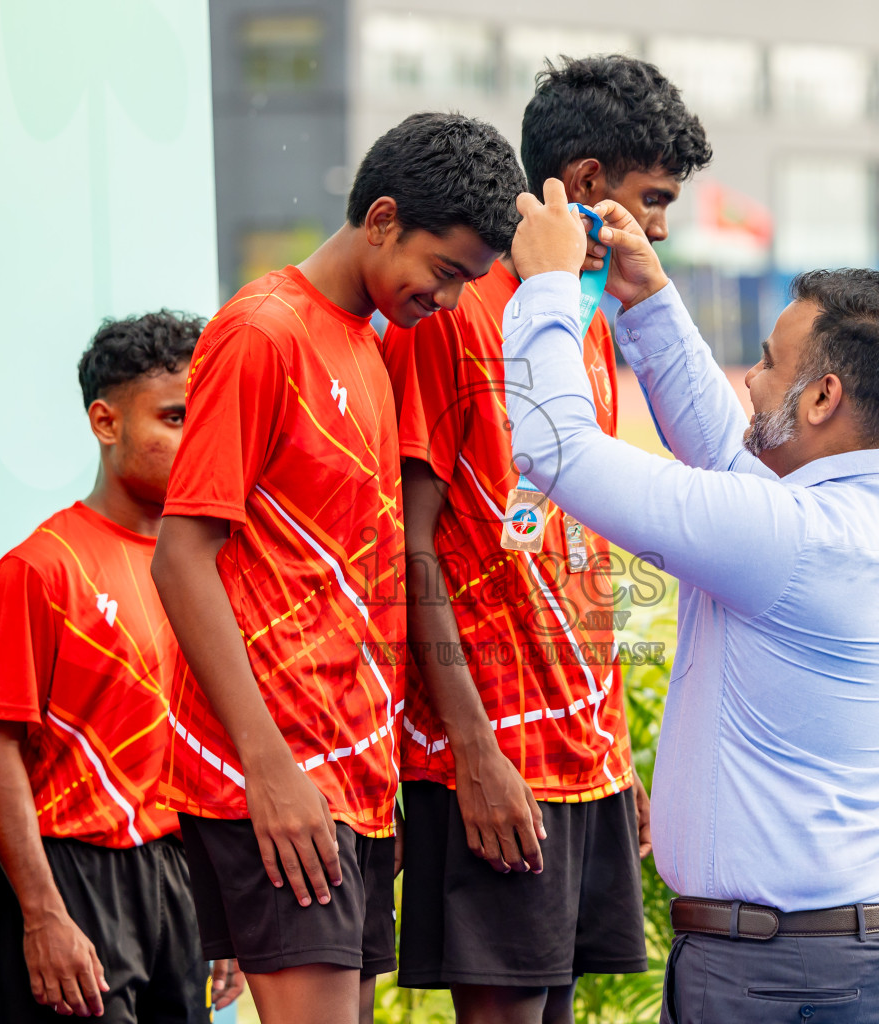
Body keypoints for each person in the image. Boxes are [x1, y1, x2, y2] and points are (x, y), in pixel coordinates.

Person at [501, 187, 879, 1023]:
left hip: (775, 977)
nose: (749, 379)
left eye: (768, 364)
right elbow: (728, 456)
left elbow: (556, 447)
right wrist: (651, 301)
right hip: (865, 957)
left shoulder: (788, 537)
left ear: (822, 398)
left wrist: (545, 289)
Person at [150, 112, 523, 1024]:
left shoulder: (368, 340)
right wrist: (267, 768)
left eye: (470, 283)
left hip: (356, 777)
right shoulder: (262, 332)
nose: (449, 299)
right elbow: (180, 557)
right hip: (281, 775)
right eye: (445, 272)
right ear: (385, 218)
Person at [379, 55, 711, 1024]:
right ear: (590, 183)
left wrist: (614, 745)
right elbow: (413, 539)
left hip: (582, 753)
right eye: (653, 200)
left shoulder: (580, 321)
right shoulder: (454, 308)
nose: (659, 227)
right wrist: (474, 754)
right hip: (489, 756)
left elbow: (582, 540)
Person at [0, 312, 245, 1021]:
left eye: (206, 417)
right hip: (73, 874)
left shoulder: (219, 568)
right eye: (175, 417)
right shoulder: (40, 567)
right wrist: (40, 914)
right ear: (106, 421)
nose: (196, 440)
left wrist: (222, 908)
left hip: (179, 871)